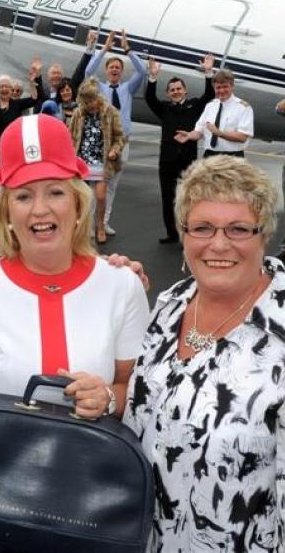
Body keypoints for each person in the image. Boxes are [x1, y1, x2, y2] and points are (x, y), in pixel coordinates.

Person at [0, 113, 149, 425]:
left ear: (78, 204)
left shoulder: (122, 286)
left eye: (55, 191)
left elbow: (138, 392)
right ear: (7, 212)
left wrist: (109, 398)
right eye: (23, 195)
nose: (40, 209)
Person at [124, 155, 285, 551]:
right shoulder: (169, 304)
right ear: (183, 233)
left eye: (238, 229)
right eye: (202, 228)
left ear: (264, 235)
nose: (218, 244)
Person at [145, 54, 215, 243]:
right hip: (167, 160)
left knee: (189, 199)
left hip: (188, 161)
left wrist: (208, 72)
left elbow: (209, 95)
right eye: (172, 90)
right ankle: (171, 233)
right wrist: (152, 78)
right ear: (168, 93)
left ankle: (189, 232)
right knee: (167, 199)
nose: (175, 92)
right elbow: (149, 98)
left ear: (185, 91)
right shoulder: (165, 108)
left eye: (178, 89)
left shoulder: (194, 106)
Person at [85, 30, 147, 236]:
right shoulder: (99, 88)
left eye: (117, 68)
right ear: (107, 70)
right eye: (111, 67)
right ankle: (92, 224)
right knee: (96, 184)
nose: (114, 70)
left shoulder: (128, 89)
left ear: (121, 71)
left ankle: (104, 222)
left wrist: (127, 49)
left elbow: (142, 71)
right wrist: (104, 49)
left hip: (123, 143)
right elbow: (88, 72)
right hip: (102, 142)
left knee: (112, 186)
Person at [69, 78, 125, 244]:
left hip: (102, 161)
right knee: (82, 199)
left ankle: (100, 226)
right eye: (86, 102)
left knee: (100, 196)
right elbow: (71, 136)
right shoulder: (79, 113)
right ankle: (83, 228)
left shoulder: (110, 111)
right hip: (82, 161)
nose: (90, 105)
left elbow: (119, 136)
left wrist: (115, 149)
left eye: (92, 100)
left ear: (97, 97)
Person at [174, 68, 254, 158]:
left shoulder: (243, 108)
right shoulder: (210, 106)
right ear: (214, 88)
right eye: (218, 87)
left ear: (232, 86)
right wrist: (189, 135)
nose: (222, 91)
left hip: (232, 157)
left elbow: (242, 137)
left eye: (225, 87)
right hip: (209, 155)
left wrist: (220, 133)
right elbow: (199, 131)